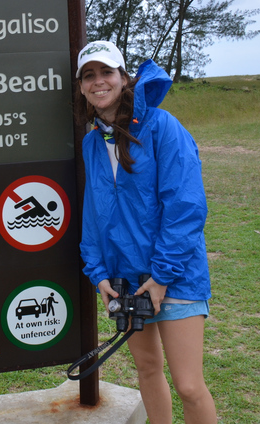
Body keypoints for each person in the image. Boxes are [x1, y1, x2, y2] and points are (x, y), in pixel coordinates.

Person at [75, 41, 217, 424]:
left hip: (175, 276)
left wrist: (162, 276)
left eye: (106, 72)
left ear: (124, 78)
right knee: (148, 371)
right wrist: (99, 273)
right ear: (82, 87)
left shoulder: (162, 126)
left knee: (188, 385)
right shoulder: (92, 143)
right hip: (126, 279)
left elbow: (185, 207)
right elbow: (94, 213)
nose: (98, 82)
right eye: (89, 75)